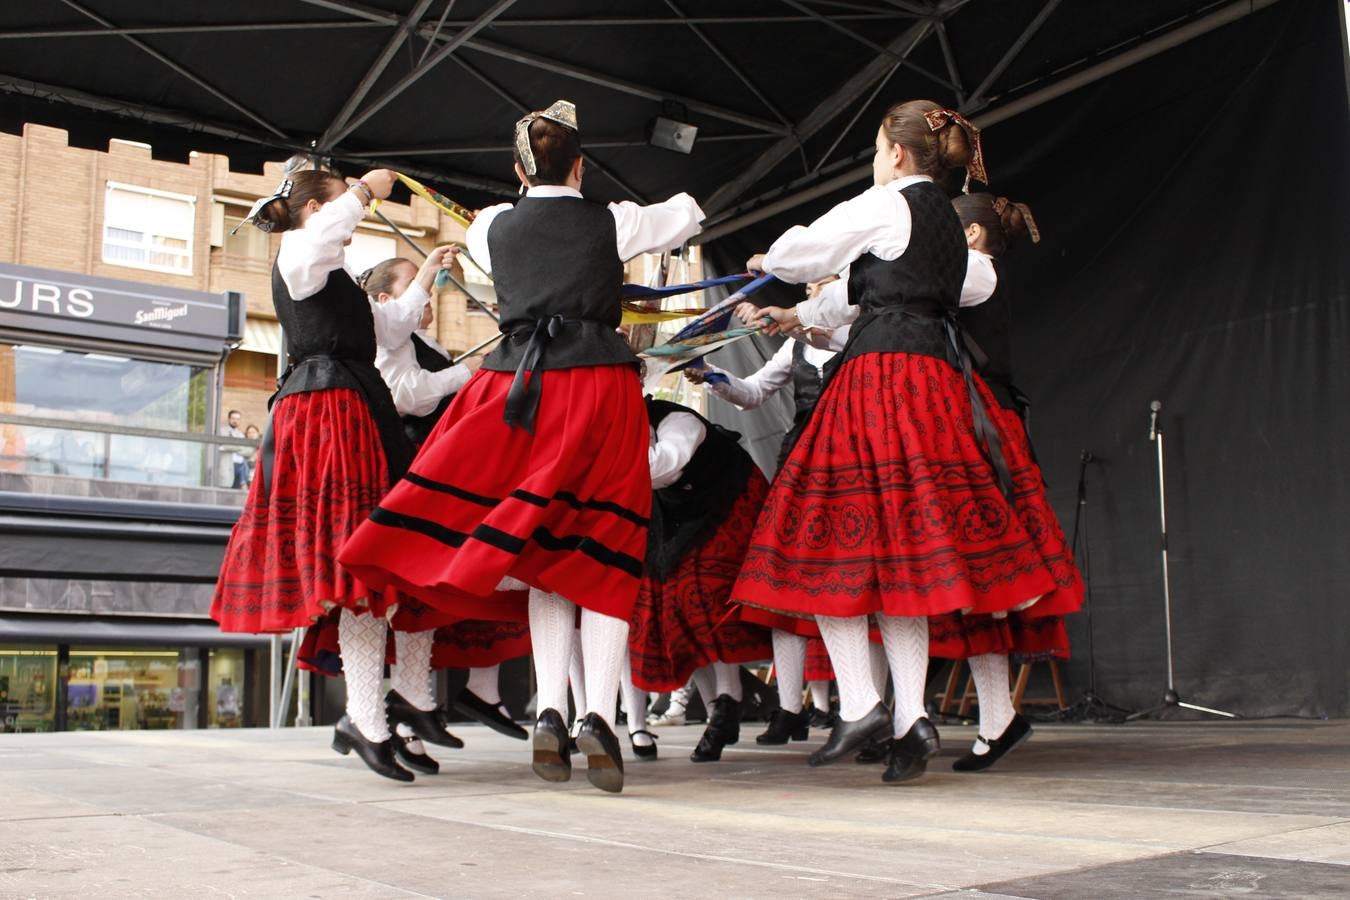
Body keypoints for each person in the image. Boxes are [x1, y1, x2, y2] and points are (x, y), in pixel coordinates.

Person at [339, 100, 704, 793]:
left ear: (516, 169)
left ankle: (550, 713)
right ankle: (599, 711)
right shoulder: (613, 218)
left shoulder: (493, 226)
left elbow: (485, 239)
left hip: (520, 390)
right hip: (599, 388)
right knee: (605, 546)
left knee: (542, 553)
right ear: (582, 163)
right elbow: (687, 213)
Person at [731, 100, 1060, 785]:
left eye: (877, 149)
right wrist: (804, 311)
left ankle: (860, 701)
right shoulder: (946, 220)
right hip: (938, 384)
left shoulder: (887, 203)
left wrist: (772, 257)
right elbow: (931, 288)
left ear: (899, 155)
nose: (875, 161)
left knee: (817, 534)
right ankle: (910, 716)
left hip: (882, 380)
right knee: (900, 553)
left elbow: (801, 252)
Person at [210, 161, 441, 783]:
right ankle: (368, 718)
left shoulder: (331, 273)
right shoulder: (299, 253)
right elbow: (321, 238)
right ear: (316, 208)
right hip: (329, 415)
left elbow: (384, 327)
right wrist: (365, 189)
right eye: (339, 204)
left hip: (353, 413)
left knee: (367, 570)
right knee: (359, 568)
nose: (351, 215)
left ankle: (368, 718)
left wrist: (423, 276)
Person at [924, 193, 1085, 772]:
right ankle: (994, 719)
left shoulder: (974, 270)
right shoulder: (965, 268)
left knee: (982, 578)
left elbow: (914, 289)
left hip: (982, 427)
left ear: (968, 236)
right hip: (971, 421)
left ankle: (974, 719)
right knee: (974, 588)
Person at [626, 397, 773, 763]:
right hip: (680, 508)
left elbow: (660, 467)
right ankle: (718, 710)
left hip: (732, 495)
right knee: (673, 599)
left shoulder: (676, 421)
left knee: (708, 589)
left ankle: (728, 700)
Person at [218, 410, 249, 489]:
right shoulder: (221, 431)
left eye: (238, 419)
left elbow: (244, 449)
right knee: (225, 489)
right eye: (233, 418)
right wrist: (237, 447)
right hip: (227, 465)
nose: (235, 421)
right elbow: (223, 445)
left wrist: (227, 447)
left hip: (240, 466)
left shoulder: (241, 435)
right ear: (229, 419)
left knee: (236, 491)